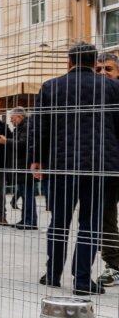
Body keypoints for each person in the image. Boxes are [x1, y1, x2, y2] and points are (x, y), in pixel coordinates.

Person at [30, 43, 119, 294]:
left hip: (62, 165)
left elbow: (40, 126)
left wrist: (36, 159)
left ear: (69, 61)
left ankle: (53, 274)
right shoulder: (113, 87)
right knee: (90, 223)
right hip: (100, 166)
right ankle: (82, 281)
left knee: (59, 221)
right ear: (94, 63)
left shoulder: (51, 87)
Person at [96, 54, 119, 287]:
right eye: (99, 69)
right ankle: (114, 265)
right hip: (105, 167)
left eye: (108, 69)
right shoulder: (93, 97)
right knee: (106, 218)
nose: (103, 74)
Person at [3, 107, 37, 231]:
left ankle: (30, 221)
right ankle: (26, 219)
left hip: (26, 166)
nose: (11, 121)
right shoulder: (21, 127)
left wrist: (7, 141)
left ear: (19, 116)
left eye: (12, 118)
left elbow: (23, 144)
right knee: (24, 194)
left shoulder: (27, 127)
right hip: (21, 166)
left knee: (27, 195)